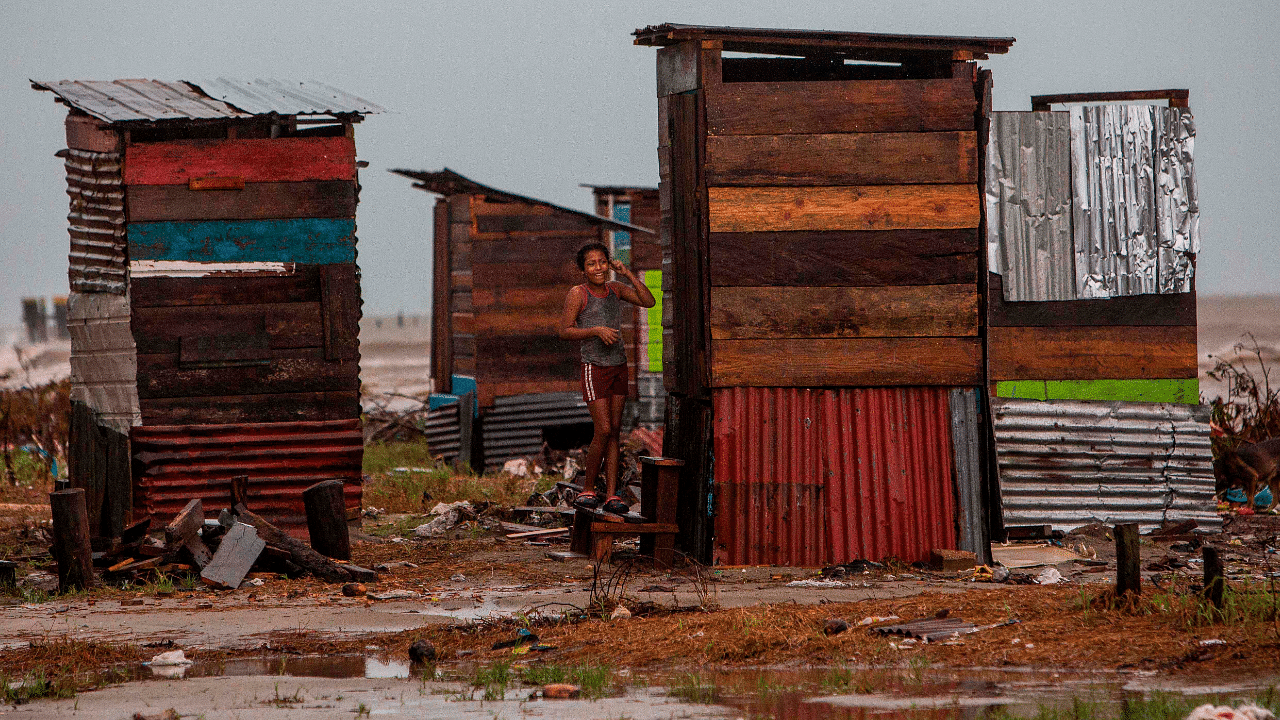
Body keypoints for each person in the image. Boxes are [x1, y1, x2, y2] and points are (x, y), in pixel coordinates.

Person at [559, 242, 655, 514]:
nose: (598, 268)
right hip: (594, 367)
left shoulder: (615, 289)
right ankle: (588, 488)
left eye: (602, 262)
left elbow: (649, 301)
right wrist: (596, 330)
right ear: (583, 270)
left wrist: (627, 273)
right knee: (602, 430)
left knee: (614, 431)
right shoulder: (578, 294)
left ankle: (613, 495)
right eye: (591, 264)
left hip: (618, 366)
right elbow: (564, 330)